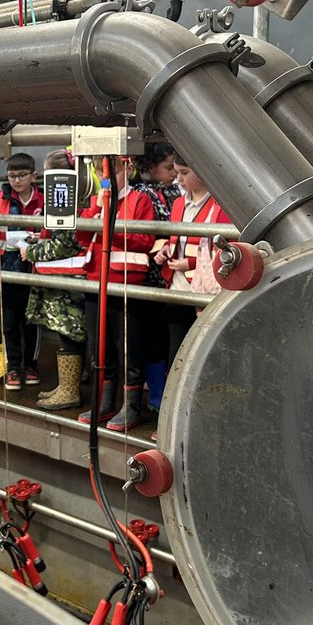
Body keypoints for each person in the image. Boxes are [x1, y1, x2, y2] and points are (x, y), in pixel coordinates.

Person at [76, 158, 156, 430]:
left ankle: (132, 406)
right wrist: (97, 210)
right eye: (101, 172)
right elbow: (82, 236)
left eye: (112, 171)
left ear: (127, 169)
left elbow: (145, 240)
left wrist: (110, 227)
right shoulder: (97, 203)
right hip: (95, 282)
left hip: (126, 282)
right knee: (99, 346)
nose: (106, 177)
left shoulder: (139, 200)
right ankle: (105, 402)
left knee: (128, 348)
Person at [21, 150, 89, 410]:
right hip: (68, 276)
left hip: (67, 278)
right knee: (68, 334)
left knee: (70, 333)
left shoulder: (65, 198)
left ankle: (70, 390)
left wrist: (33, 251)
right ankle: (66, 386)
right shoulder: (81, 194)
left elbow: (65, 243)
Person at [154, 156, 231, 365]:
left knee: (202, 348)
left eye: (184, 173)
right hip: (177, 284)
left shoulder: (220, 205)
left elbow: (224, 250)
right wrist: (166, 249)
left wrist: (189, 264)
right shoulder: (178, 203)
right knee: (176, 347)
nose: (178, 178)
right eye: (177, 172)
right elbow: (176, 239)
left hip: (204, 288)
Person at [128, 144, 181, 425]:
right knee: (149, 337)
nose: (173, 174)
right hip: (148, 271)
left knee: (162, 337)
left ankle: (160, 395)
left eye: (176, 169)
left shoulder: (174, 191)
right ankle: (156, 395)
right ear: (150, 168)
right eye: (168, 168)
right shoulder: (144, 193)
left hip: (167, 272)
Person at [0, 153, 44, 391]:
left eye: (21, 175)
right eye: (12, 176)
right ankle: (12, 367)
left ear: (33, 176)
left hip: (35, 269)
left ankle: (31, 365)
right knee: (9, 321)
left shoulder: (44, 199)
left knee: (32, 321)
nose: (16, 180)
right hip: (7, 267)